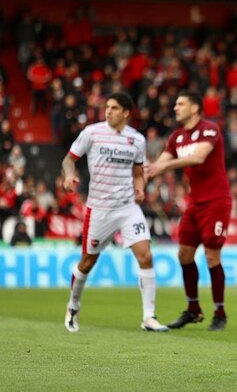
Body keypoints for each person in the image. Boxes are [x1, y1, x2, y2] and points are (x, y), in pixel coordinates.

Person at [62, 91, 168, 333]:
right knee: (88, 261)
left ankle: (149, 317)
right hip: (99, 208)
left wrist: (140, 189)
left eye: (114, 108)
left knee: (146, 256)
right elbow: (69, 159)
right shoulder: (92, 132)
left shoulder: (137, 140)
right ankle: (73, 306)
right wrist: (69, 174)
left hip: (128, 207)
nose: (108, 111)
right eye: (107, 107)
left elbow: (138, 172)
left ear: (126, 113)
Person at [147, 90, 231, 331]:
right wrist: (146, 170)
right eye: (175, 103)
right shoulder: (176, 137)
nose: (175, 107)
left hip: (216, 200)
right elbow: (161, 162)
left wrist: (162, 166)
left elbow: (197, 158)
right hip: (194, 202)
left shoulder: (209, 129)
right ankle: (193, 309)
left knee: (212, 256)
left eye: (180, 103)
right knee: (184, 254)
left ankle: (220, 313)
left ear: (195, 108)